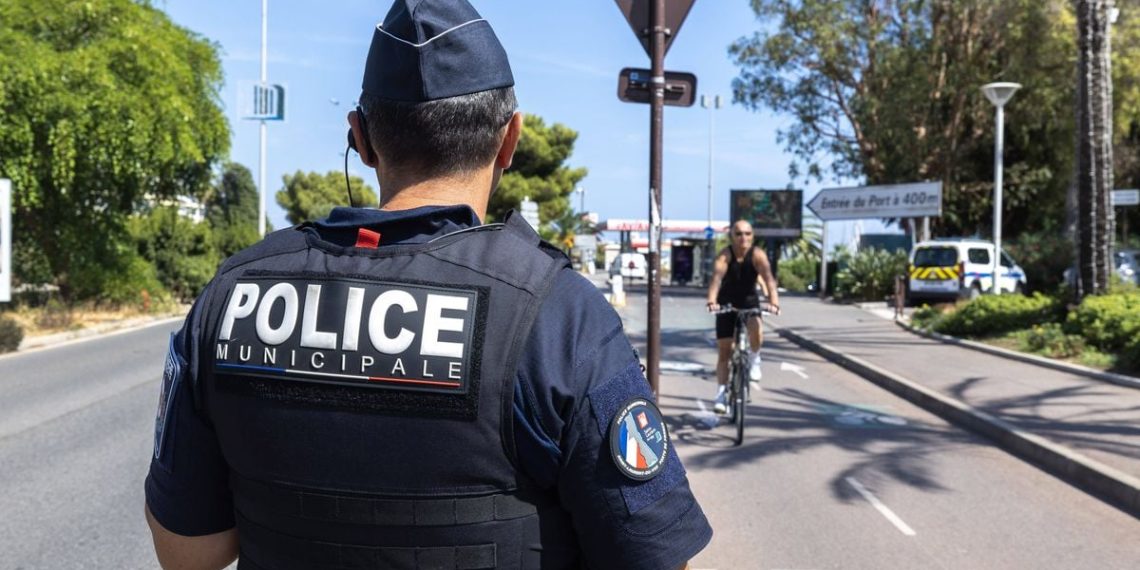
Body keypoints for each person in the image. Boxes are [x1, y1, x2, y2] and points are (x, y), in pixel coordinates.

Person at [143, 1, 712, 568]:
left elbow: (188, 553)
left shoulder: (234, 294)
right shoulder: (557, 313)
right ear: (509, 139)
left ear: (360, 139)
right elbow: (654, 556)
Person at [705, 220, 780, 414]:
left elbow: (769, 279)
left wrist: (774, 302)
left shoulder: (757, 255)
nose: (743, 238)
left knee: (756, 326)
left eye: (747, 234)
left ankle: (755, 359)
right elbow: (716, 279)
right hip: (726, 303)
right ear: (732, 236)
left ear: (752, 236)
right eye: (738, 234)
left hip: (749, 302)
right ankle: (721, 394)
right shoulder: (725, 255)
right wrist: (712, 301)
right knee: (724, 352)